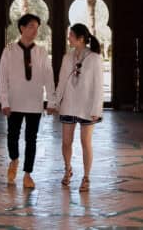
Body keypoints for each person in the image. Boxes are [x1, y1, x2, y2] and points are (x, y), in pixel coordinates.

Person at [0, 13, 55, 189]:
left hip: (34, 103)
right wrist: (4, 101)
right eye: (31, 27)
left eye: (37, 28)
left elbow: (48, 77)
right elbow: (2, 77)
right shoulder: (9, 51)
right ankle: (14, 160)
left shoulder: (41, 52)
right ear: (22, 28)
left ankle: (28, 174)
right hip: (14, 102)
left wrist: (51, 101)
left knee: (32, 138)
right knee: (12, 136)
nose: (35, 31)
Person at [51, 23, 104, 191]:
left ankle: (86, 177)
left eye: (71, 35)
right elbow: (61, 82)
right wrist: (54, 102)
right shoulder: (67, 57)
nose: (69, 38)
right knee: (66, 142)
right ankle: (68, 170)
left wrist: (97, 109)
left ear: (81, 38)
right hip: (68, 105)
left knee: (85, 142)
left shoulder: (94, 58)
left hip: (87, 107)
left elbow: (98, 86)